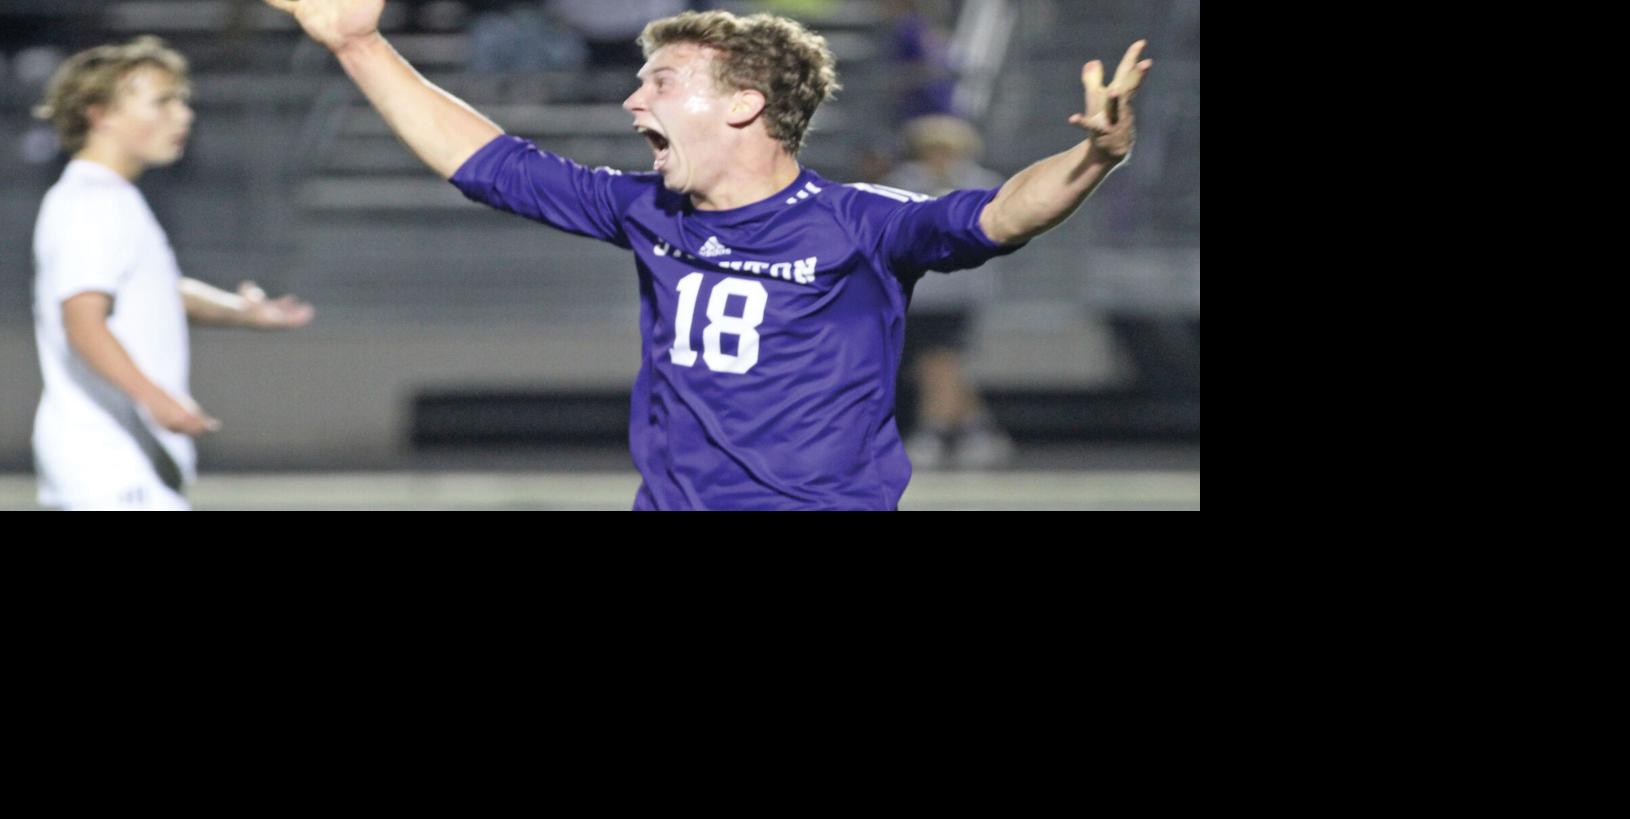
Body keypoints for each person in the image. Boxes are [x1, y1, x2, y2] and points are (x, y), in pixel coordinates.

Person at [263, 1, 1150, 510]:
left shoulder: (858, 222)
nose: (629, 99)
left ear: (742, 106)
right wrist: (358, 44)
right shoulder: (651, 208)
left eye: (660, 82)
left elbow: (1000, 215)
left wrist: (1092, 158)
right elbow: (491, 165)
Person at [31, 36, 315, 511]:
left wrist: (242, 313)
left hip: (116, 464)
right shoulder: (92, 203)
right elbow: (82, 320)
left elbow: (155, 292)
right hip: (108, 463)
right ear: (99, 114)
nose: (183, 116)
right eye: (162, 102)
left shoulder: (108, 197)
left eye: (183, 101)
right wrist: (155, 398)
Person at [882, 115, 1012, 469]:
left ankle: (933, 432)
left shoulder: (983, 185)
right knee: (934, 366)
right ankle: (977, 430)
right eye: (931, 151)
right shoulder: (902, 184)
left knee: (941, 361)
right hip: (917, 291)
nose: (939, 158)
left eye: (946, 150)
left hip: (961, 291)